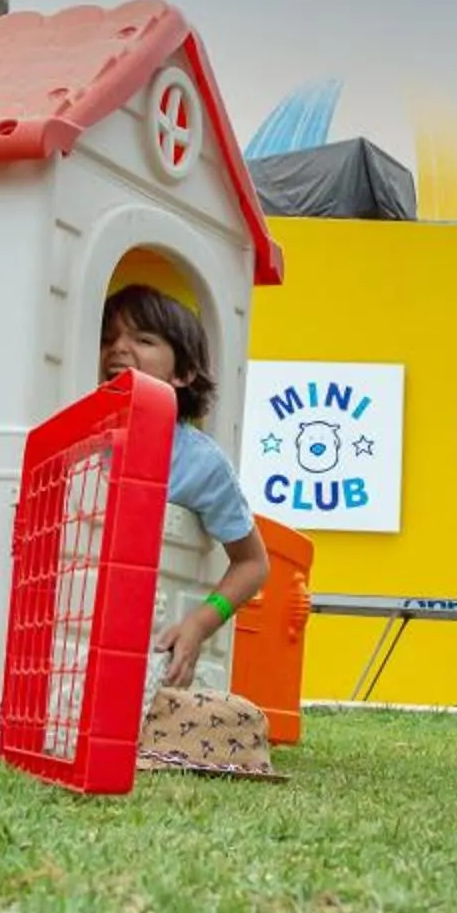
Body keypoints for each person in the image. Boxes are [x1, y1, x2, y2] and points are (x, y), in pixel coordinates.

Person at [100, 283, 269, 686]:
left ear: (183, 373)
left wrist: (199, 622)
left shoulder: (200, 463)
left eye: (143, 339)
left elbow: (253, 563)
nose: (118, 348)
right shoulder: (78, 434)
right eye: (107, 338)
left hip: (148, 645)